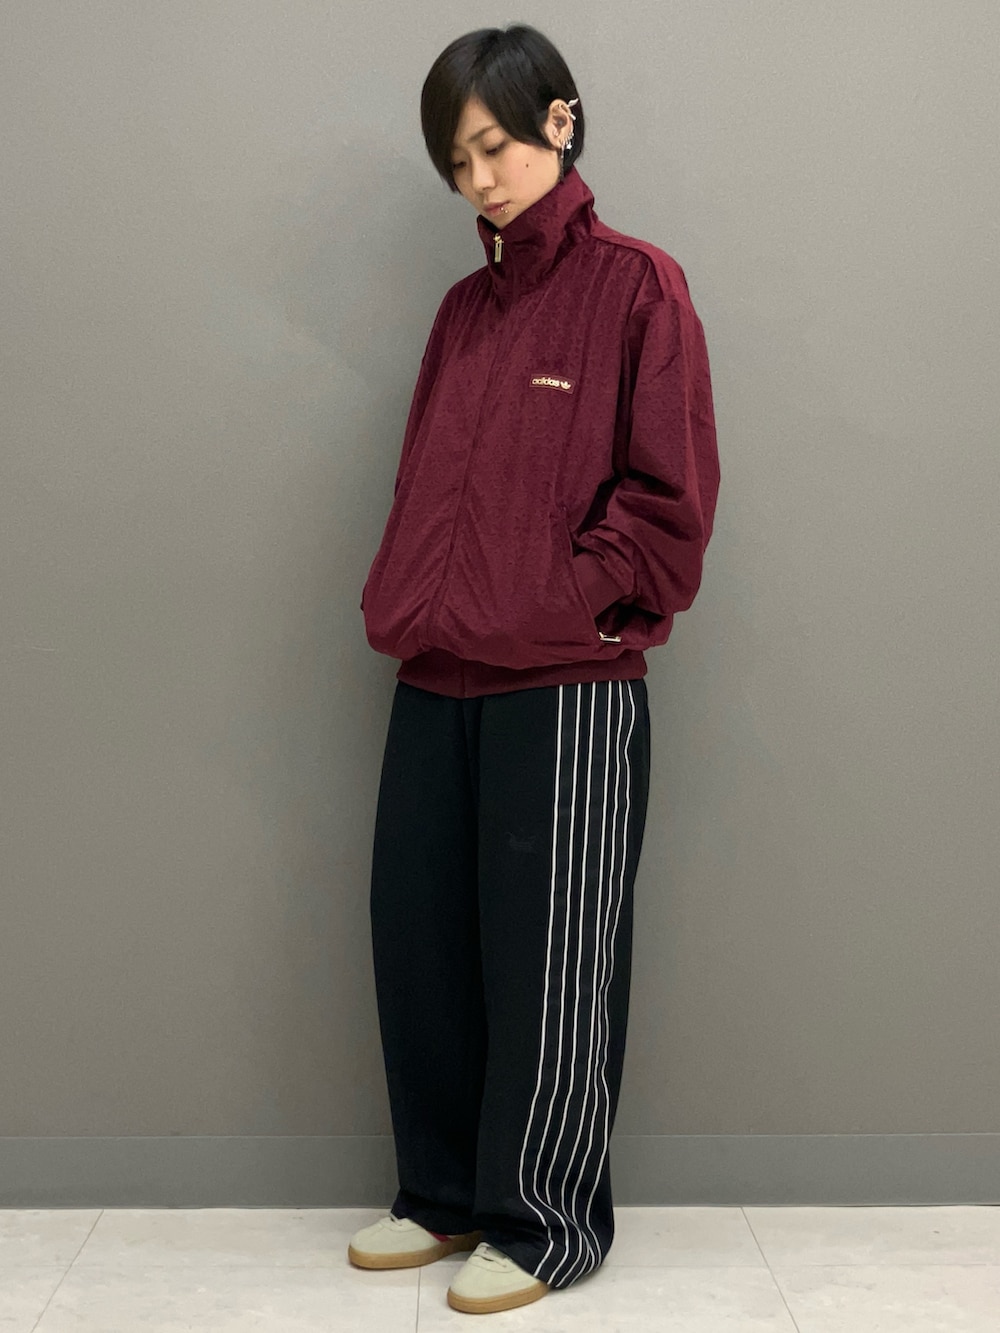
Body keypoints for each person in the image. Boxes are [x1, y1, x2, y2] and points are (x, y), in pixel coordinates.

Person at [349, 24, 720, 1316]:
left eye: (494, 147)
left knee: (551, 958)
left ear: (560, 121)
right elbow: (427, 482)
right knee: (424, 946)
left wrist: (561, 602)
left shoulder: (638, 287)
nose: (480, 181)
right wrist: (416, 594)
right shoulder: (463, 312)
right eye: (456, 163)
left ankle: (544, 1220)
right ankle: (443, 1193)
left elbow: (668, 508)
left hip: (565, 683)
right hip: (434, 670)